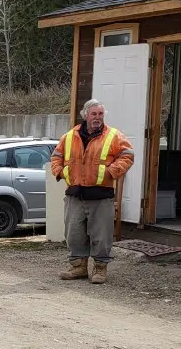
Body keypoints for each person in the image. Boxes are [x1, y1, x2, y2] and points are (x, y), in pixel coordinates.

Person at [49, 99, 134, 284]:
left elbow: (128, 155)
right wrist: (61, 172)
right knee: (74, 233)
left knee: (101, 235)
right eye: (94, 114)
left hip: (101, 195)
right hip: (75, 195)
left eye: (101, 114)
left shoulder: (114, 136)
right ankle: (78, 267)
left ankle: (100, 268)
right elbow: (56, 157)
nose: (97, 117)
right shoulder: (69, 137)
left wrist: (112, 172)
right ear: (85, 115)